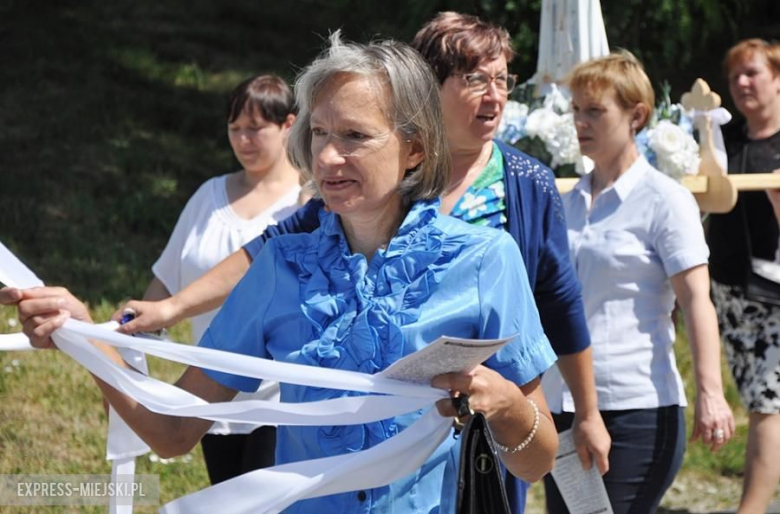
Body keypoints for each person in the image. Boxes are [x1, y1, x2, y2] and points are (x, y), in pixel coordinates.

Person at [9, 34, 558, 513]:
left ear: (414, 149)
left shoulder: (487, 260)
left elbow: (538, 462)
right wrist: (82, 336)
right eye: (320, 134)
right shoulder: (280, 268)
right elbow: (174, 432)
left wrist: (508, 407)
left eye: (354, 137)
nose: (328, 158)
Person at [542, 51, 735, 514]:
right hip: (562, 404)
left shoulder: (664, 200)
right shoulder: (566, 202)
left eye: (595, 110)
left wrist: (711, 393)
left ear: (637, 116)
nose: (581, 123)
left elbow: (696, 302)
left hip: (637, 405)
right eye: (576, 111)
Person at [142, 74, 301, 485]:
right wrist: (132, 336)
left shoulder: (309, 203)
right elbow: (165, 280)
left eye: (255, 129)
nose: (244, 140)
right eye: (235, 130)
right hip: (212, 397)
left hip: (280, 401)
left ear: (289, 125)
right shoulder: (208, 196)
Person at [707, 38, 780, 514]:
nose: (742, 83)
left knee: (766, 405)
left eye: (752, 72)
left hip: (775, 296)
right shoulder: (724, 144)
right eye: (735, 75)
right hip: (729, 293)